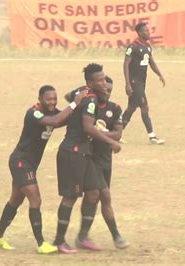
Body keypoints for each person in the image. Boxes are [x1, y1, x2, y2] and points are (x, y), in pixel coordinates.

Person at [0, 85, 87, 254]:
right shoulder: (33, 113)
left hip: (30, 164)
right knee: (36, 200)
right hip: (21, 162)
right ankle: (41, 244)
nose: (52, 102)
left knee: (15, 201)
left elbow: (62, 119)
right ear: (40, 99)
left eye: (54, 99)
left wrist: (79, 105)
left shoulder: (52, 112)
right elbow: (55, 121)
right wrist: (74, 103)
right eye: (49, 99)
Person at [53, 64, 121, 253]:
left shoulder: (87, 94)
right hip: (73, 152)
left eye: (104, 78)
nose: (104, 83)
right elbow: (88, 128)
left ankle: (83, 237)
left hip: (85, 154)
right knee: (70, 197)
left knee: (94, 192)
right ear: (90, 83)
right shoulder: (90, 99)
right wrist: (112, 142)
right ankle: (58, 241)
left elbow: (71, 97)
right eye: (100, 80)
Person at [66, 76, 130, 249]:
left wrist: (96, 132)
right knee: (104, 195)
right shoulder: (89, 103)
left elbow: (118, 135)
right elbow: (68, 96)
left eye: (109, 89)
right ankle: (116, 236)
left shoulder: (115, 108)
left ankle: (82, 236)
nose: (106, 91)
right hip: (90, 158)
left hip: (105, 161)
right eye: (103, 88)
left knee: (94, 196)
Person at [122, 22, 166, 144]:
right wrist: (128, 83)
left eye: (148, 30)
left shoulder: (147, 46)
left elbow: (151, 62)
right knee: (144, 107)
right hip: (134, 82)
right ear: (140, 32)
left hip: (142, 82)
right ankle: (152, 137)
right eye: (146, 31)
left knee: (131, 108)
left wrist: (160, 75)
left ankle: (116, 133)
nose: (149, 32)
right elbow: (126, 64)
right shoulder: (133, 47)